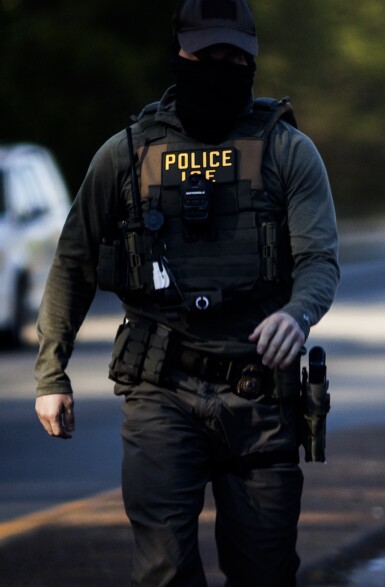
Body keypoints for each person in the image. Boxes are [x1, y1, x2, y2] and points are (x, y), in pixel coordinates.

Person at [33, 0, 339, 584]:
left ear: (251, 60)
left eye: (233, 57)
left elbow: (318, 260)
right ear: (180, 54)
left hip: (258, 393)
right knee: (163, 569)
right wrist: (51, 373)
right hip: (160, 388)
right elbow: (73, 261)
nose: (219, 68)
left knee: (265, 570)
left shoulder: (286, 151)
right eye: (206, 54)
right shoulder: (126, 153)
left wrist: (298, 315)